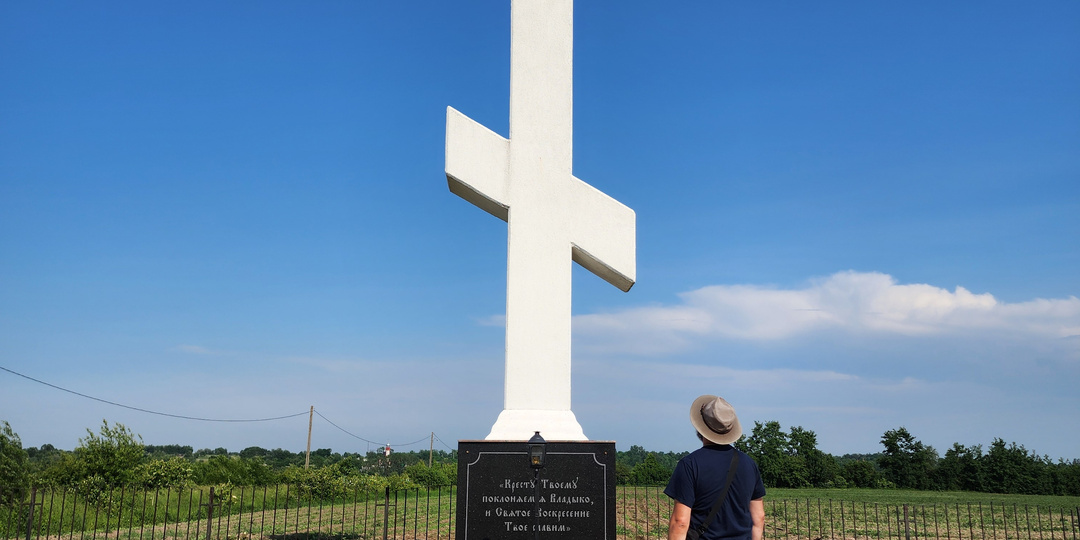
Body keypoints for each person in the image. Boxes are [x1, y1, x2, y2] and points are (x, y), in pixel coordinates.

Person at [664, 395, 766, 540]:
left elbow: (680, 522)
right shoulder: (749, 464)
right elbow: (759, 517)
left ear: (701, 427)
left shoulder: (689, 465)